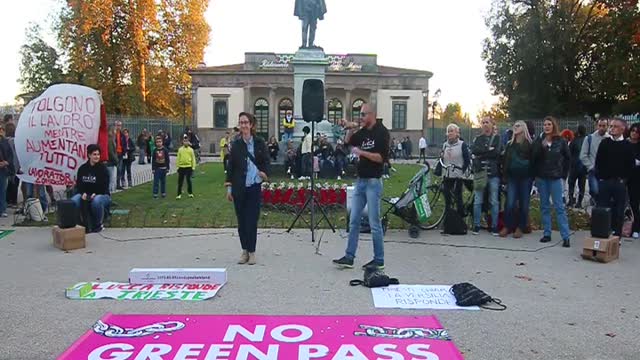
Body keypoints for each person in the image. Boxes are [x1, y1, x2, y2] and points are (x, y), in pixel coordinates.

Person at [333, 103, 390, 269]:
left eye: (364, 114)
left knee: (374, 222)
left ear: (372, 114)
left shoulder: (382, 132)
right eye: (360, 115)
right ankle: (349, 256)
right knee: (354, 221)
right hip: (361, 181)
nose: (361, 117)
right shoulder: (363, 132)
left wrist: (362, 153)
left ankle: (379, 260)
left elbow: (381, 158)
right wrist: (350, 128)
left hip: (373, 181)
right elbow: (347, 143)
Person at [225, 112, 270, 265]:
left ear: (251, 125)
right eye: (241, 122)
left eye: (246, 122)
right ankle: (244, 250)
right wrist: (229, 188)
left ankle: (252, 252)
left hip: (254, 187)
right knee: (242, 222)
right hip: (239, 187)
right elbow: (230, 167)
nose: (243, 125)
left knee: (251, 221)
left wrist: (264, 173)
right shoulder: (236, 145)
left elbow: (266, 160)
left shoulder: (259, 142)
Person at [532, 116, 572, 247]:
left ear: (553, 126)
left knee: (559, 207)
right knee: (544, 206)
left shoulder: (560, 141)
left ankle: (565, 236)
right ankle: (547, 233)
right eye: (545, 124)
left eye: (549, 124)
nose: (547, 126)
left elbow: (567, 158)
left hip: (555, 177)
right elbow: (533, 157)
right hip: (542, 177)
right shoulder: (539, 140)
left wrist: (563, 174)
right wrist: (541, 147)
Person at [595, 118, 635, 237]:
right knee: (603, 208)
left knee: (619, 210)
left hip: (619, 182)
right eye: (611, 126)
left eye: (615, 126)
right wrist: (601, 177)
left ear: (623, 129)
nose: (612, 128)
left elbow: (630, 164)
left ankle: (617, 234)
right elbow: (598, 162)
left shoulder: (627, 145)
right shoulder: (605, 143)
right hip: (605, 181)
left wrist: (624, 179)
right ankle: (602, 232)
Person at [500, 121, 533, 238]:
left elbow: (534, 161)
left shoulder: (529, 144)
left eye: (518, 125)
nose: (515, 127)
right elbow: (505, 161)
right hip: (512, 177)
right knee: (510, 202)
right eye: (514, 125)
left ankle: (521, 227)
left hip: (526, 177)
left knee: (524, 203)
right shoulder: (510, 144)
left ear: (524, 128)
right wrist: (504, 176)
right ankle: (507, 226)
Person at [471, 117, 502, 236]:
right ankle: (476, 225)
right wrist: (487, 150)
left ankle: (494, 226)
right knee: (477, 200)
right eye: (483, 122)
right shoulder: (477, 139)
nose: (485, 124)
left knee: (494, 201)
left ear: (492, 124)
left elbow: (497, 153)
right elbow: (474, 151)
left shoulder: (497, 138)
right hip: (480, 173)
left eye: (487, 122)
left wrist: (483, 152)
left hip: (493, 174)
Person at [71, 144, 110, 233]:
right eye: (94, 154)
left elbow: (104, 187)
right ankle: (80, 224)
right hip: (85, 194)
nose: (97, 156)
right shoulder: (82, 169)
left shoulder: (103, 169)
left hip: (102, 195)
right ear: (89, 155)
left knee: (96, 201)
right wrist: (82, 193)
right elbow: (80, 184)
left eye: (98, 154)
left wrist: (95, 194)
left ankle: (97, 225)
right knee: (73, 201)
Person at [441, 124, 470, 219]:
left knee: (458, 197)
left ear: (457, 133)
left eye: (451, 131)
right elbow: (442, 157)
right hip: (447, 174)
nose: (449, 133)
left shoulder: (462, 144)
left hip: (458, 175)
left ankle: (460, 217)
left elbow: (467, 160)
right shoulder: (445, 145)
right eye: (448, 131)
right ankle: (448, 217)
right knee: (447, 197)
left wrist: (462, 172)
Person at [580, 118, 610, 201]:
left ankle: (599, 206)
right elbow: (583, 155)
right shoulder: (589, 138)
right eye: (600, 125)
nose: (601, 128)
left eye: (604, 126)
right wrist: (590, 166)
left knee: (603, 192)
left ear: (607, 126)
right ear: (596, 126)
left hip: (606, 171)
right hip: (593, 170)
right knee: (595, 190)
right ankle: (594, 200)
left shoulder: (610, 139)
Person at [568, 125, 587, 208]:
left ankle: (571, 200)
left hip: (574, 166)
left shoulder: (574, 141)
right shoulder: (586, 140)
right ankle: (579, 202)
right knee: (581, 185)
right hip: (583, 167)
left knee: (571, 183)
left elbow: (568, 153)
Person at [627, 122, 640, 239]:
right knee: (620, 203)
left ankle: (636, 228)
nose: (634, 133)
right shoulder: (625, 144)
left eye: (637, 131)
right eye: (633, 131)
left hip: (636, 178)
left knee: (635, 204)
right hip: (624, 176)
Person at [0, 124, 14, 217]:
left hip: (2, 169)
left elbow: (10, 155)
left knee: (2, 190)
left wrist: (6, 163)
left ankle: (2, 209)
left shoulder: (5, 142)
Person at [4, 122, 19, 208]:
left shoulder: (5, 141)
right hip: (15, 164)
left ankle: (8, 200)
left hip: (8, 164)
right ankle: (13, 201)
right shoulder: (16, 140)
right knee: (15, 183)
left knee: (8, 183)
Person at [114, 121, 126, 190]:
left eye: (120, 125)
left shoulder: (122, 135)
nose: (119, 127)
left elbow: (124, 144)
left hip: (120, 153)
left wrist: (124, 151)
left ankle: (118, 184)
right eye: (117, 125)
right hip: (114, 153)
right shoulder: (113, 134)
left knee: (119, 169)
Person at [105, 127, 118, 193]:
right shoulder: (109, 140)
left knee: (110, 178)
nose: (115, 132)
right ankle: (110, 192)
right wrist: (116, 160)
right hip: (110, 162)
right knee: (110, 179)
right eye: (114, 130)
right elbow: (110, 152)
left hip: (109, 162)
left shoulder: (110, 139)